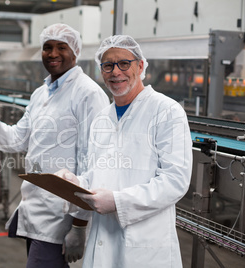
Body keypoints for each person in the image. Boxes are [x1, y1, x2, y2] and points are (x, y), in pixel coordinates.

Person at [0, 23, 109, 267]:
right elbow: (16, 138)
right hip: (36, 208)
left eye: (61, 47)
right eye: (47, 47)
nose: (53, 53)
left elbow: (93, 161)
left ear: (75, 52)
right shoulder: (41, 94)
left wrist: (79, 224)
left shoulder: (88, 94)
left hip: (61, 215)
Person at [55, 35, 193, 267]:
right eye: (108, 65)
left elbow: (175, 181)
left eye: (124, 63)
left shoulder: (166, 111)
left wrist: (119, 202)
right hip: (101, 241)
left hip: (144, 247)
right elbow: (96, 174)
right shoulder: (101, 119)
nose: (115, 72)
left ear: (140, 66)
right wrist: (75, 182)